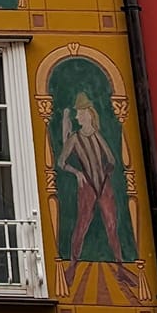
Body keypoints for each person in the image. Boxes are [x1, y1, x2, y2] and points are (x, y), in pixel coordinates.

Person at [57, 93, 127, 262]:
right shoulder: (74, 138)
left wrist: (105, 173)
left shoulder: (97, 135)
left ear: (88, 113)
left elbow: (111, 159)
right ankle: (73, 263)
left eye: (79, 113)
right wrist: (78, 173)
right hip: (87, 185)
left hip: (103, 185)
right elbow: (61, 162)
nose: (77, 116)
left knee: (111, 225)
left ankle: (119, 263)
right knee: (82, 224)